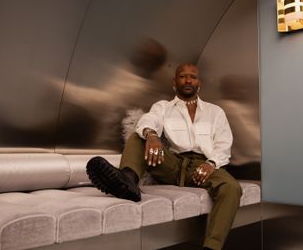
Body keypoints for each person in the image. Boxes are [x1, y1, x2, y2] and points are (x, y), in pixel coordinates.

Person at [86, 63, 242, 250]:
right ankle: (128, 180)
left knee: (232, 187)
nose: (188, 80)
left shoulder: (215, 112)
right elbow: (148, 120)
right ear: (174, 83)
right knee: (139, 135)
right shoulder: (163, 107)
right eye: (183, 76)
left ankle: (212, 246)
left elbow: (224, 144)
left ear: (199, 83)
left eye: (192, 77)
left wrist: (211, 163)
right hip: (172, 164)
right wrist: (152, 135)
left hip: (203, 167)